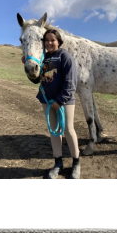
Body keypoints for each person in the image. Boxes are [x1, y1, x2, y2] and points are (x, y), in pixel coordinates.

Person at [23, 29, 81, 179]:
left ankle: (76, 162)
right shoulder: (43, 59)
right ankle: (58, 163)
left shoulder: (65, 56)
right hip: (47, 100)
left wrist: (59, 101)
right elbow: (37, 80)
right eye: (46, 40)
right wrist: (29, 71)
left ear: (59, 42)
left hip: (64, 101)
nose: (49, 43)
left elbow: (70, 83)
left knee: (68, 130)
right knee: (54, 132)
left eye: (52, 40)